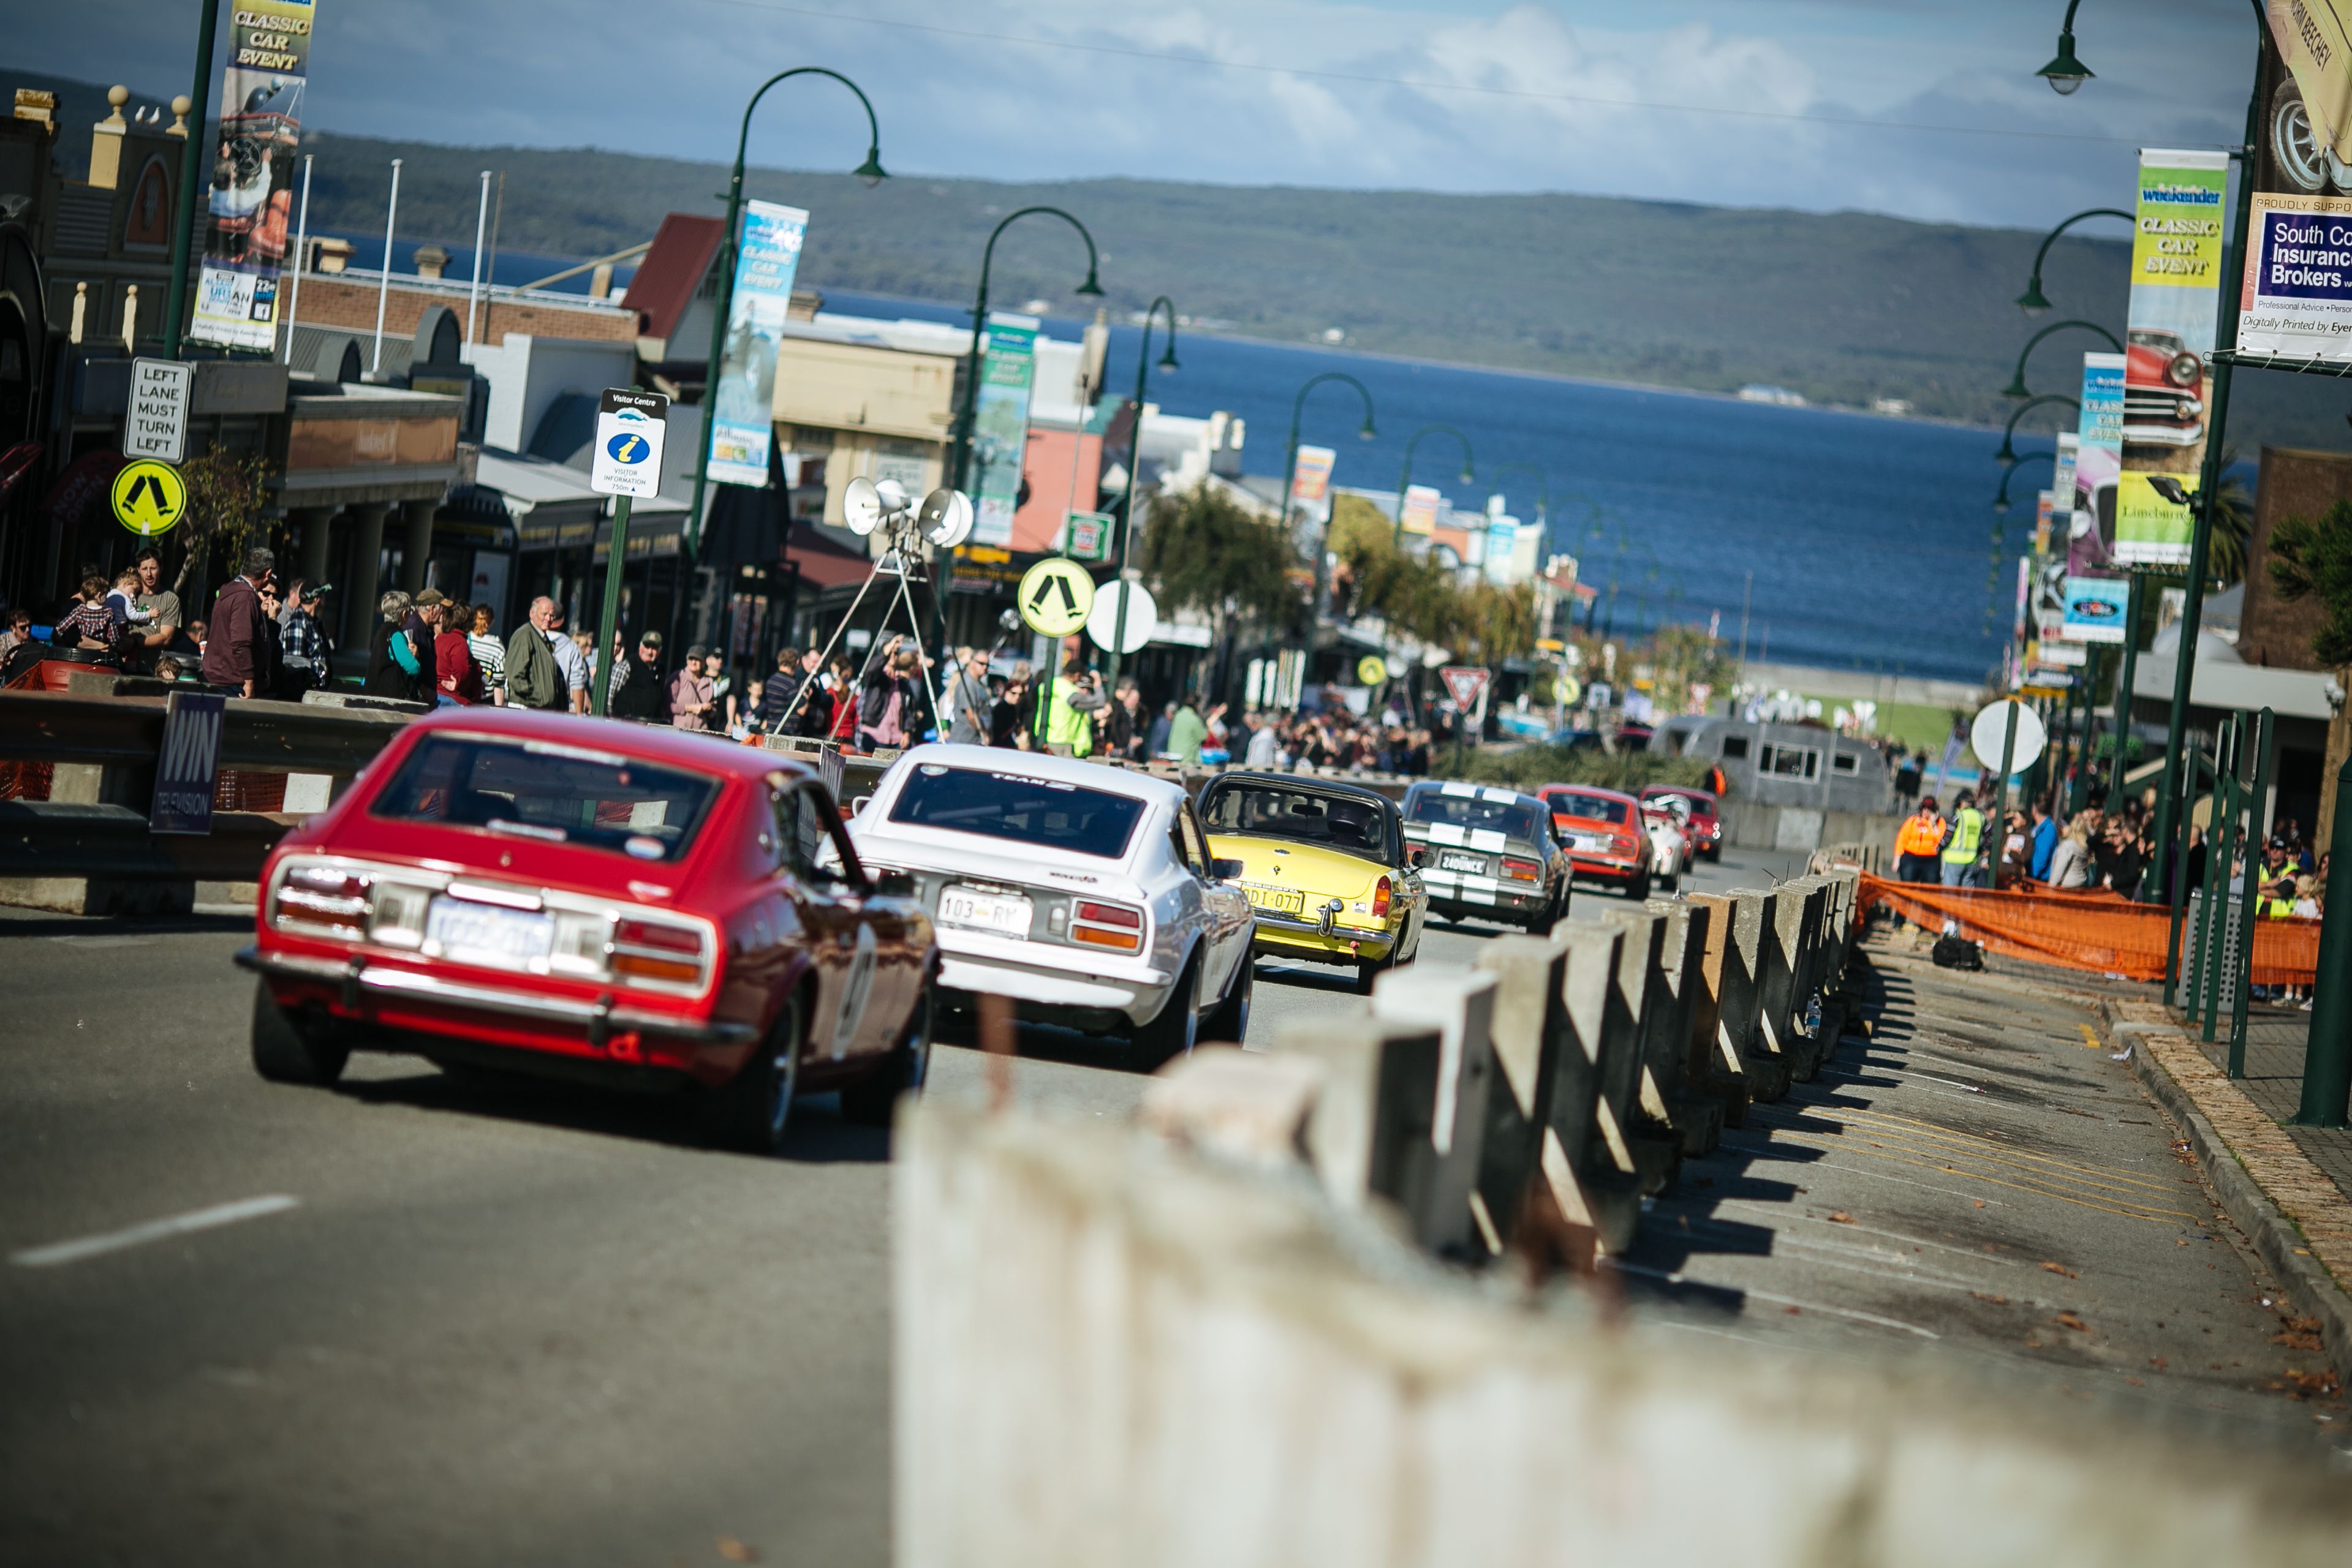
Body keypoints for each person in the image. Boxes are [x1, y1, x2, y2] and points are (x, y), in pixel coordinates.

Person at [202, 546, 278, 698]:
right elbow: (241, 642)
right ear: (268, 573)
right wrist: (249, 681)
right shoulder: (244, 597)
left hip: (219, 679)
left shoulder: (230, 589)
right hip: (232, 684)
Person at [504, 596, 567, 711]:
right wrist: (537, 696)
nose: (548, 618)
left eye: (552, 615)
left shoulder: (542, 638)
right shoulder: (524, 636)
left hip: (538, 710)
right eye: (544, 614)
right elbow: (515, 676)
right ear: (532, 614)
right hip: (526, 709)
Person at [130, 547, 189, 663]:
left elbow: (165, 638)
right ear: (138, 570)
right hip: (122, 663)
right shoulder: (129, 594)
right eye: (144, 569)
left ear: (161, 569)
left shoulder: (170, 599)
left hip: (149, 667)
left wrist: (134, 643)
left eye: (153, 568)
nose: (149, 574)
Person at [364, 590, 425, 700]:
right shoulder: (395, 635)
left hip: (375, 694)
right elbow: (413, 668)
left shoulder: (382, 631)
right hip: (390, 698)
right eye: (410, 611)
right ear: (404, 614)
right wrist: (415, 656)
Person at [1039, 655, 1104, 757]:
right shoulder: (1072, 694)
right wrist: (1097, 683)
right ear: (1077, 675)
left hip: (1045, 738)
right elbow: (1099, 702)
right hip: (1063, 744)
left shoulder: (1050, 684)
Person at [276, 580, 330, 698]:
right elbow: (295, 665)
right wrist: (311, 682)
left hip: (315, 692)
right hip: (301, 694)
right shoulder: (298, 622)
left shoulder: (315, 623)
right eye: (323, 596)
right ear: (317, 600)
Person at [433, 598, 483, 706]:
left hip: (437, 695)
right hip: (452, 700)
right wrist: (458, 683)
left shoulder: (440, 638)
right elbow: (462, 671)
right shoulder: (459, 642)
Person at [610, 630, 668, 722]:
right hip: (625, 727)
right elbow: (610, 695)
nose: (650, 652)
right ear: (640, 646)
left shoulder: (661, 670)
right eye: (647, 646)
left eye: (654, 648)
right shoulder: (627, 665)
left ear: (660, 650)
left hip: (650, 729)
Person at [943, 646, 994, 746]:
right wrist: (983, 733)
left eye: (987, 665)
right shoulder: (967, 684)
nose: (985, 667)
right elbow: (971, 714)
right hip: (964, 741)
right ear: (972, 662)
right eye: (981, 664)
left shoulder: (979, 684)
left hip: (976, 741)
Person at [1938, 790, 1986, 889]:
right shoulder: (1980, 817)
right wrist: (1982, 849)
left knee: (1950, 893)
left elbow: (1947, 837)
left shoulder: (1958, 816)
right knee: (1966, 894)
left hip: (1954, 860)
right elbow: (1990, 836)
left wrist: (1939, 847)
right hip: (1972, 860)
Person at [670, 644, 717, 731]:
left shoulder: (709, 681)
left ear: (703, 662)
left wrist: (709, 709)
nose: (694, 662)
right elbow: (668, 706)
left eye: (697, 660)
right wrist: (689, 708)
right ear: (687, 660)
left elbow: (713, 711)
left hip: (700, 732)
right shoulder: (678, 677)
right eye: (691, 659)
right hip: (678, 731)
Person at [466, 606, 507, 704]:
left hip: (464, 696)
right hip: (484, 699)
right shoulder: (497, 646)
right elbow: (499, 684)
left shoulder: (464, 639)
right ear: (492, 622)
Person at [991, 662, 1035, 748]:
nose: (1017, 697)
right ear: (1006, 692)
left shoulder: (1013, 708)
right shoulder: (1001, 709)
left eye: (1020, 694)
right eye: (1014, 693)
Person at [2046, 816, 2095, 890]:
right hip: (2081, 884)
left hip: (2067, 886)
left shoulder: (2068, 846)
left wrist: (2052, 885)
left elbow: (2060, 867)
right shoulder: (2085, 847)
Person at [1167, 695, 1208, 763]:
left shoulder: (1177, 716)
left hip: (1173, 757)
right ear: (1196, 705)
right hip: (1187, 760)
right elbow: (1204, 737)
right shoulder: (1195, 719)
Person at [2027, 799, 2059, 881]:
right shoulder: (2037, 827)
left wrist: (2032, 875)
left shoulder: (2049, 829)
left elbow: (2042, 855)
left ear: (2034, 811)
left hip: (2040, 880)